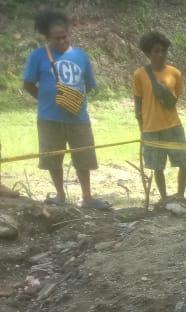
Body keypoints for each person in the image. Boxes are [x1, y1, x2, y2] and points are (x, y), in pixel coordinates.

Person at [22, 9, 109, 210]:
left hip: (78, 116)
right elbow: (28, 83)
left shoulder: (81, 56)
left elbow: (89, 84)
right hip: (49, 117)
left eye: (65, 36)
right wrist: (45, 100)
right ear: (47, 38)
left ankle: (87, 196)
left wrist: (73, 99)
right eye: (57, 38)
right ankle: (60, 195)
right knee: (53, 158)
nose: (62, 41)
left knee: (84, 157)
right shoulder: (38, 56)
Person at [133, 31, 186, 203]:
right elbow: (138, 106)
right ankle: (164, 198)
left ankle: (180, 194)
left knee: (184, 163)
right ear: (148, 53)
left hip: (173, 126)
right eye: (156, 51)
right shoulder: (139, 75)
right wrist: (142, 130)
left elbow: (174, 101)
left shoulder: (175, 73)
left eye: (163, 51)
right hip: (151, 128)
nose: (160, 55)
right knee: (157, 167)